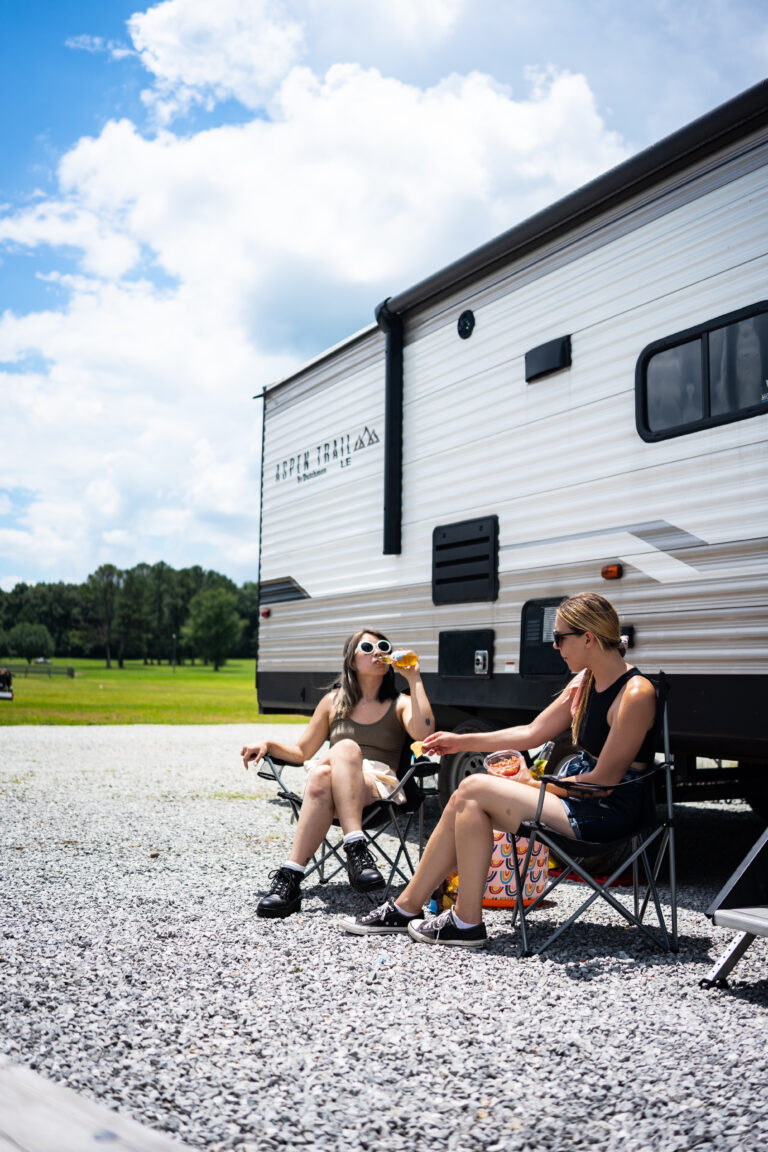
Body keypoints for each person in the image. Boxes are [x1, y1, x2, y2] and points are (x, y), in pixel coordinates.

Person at [341, 592, 657, 949]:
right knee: (468, 797)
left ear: (589, 638)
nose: (555, 647)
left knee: (475, 789)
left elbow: (602, 784)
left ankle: (455, 917)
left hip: (604, 812)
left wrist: (537, 784)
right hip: (579, 799)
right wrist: (459, 742)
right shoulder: (585, 681)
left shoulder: (635, 694)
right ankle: (417, 909)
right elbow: (531, 733)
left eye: (558, 638)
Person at [241, 628, 434, 919]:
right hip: (332, 781)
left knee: (338, 757)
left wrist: (414, 678)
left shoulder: (401, 703)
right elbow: (301, 753)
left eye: (383, 646)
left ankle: (292, 878)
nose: (378, 652)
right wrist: (267, 744)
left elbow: (425, 733)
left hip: (376, 784)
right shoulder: (333, 702)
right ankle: (351, 849)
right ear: (351, 660)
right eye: (367, 648)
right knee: (331, 764)